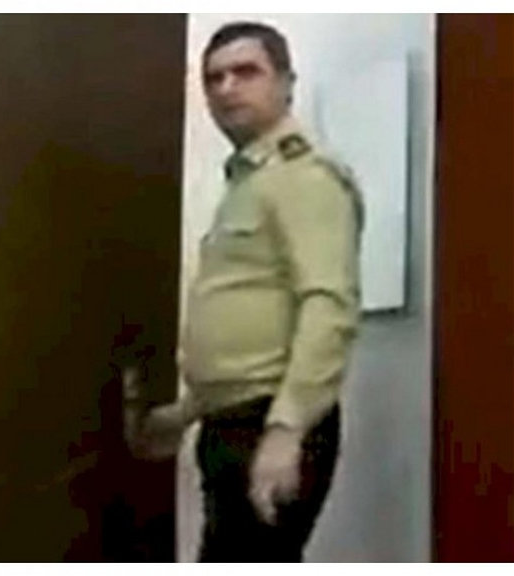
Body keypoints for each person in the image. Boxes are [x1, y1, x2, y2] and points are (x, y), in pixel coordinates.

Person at [128, 21, 364, 562]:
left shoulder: (303, 176)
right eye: (214, 78)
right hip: (231, 421)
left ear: (285, 83)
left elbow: (329, 307)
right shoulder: (251, 181)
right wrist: (187, 412)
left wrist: (285, 432)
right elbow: (250, 328)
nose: (227, 88)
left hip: (270, 421)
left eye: (246, 72)